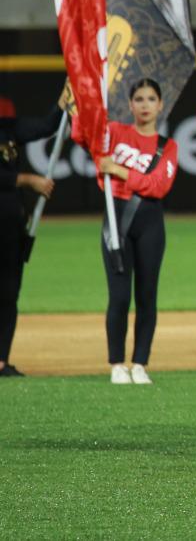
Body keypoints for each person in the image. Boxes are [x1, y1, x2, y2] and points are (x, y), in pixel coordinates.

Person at [98, 78, 179, 384]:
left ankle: (140, 363)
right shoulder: (113, 133)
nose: (145, 105)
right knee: (119, 296)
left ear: (160, 105)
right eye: (139, 99)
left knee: (147, 295)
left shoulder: (168, 147)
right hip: (115, 220)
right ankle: (117, 364)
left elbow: (158, 186)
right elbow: (84, 135)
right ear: (130, 105)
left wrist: (118, 170)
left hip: (150, 223)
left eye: (150, 99)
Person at [0, 94, 64, 378]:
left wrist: (64, 99)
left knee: (9, 293)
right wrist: (25, 180)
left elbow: (46, 126)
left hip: (12, 226)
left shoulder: (8, 129)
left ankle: (1, 360)